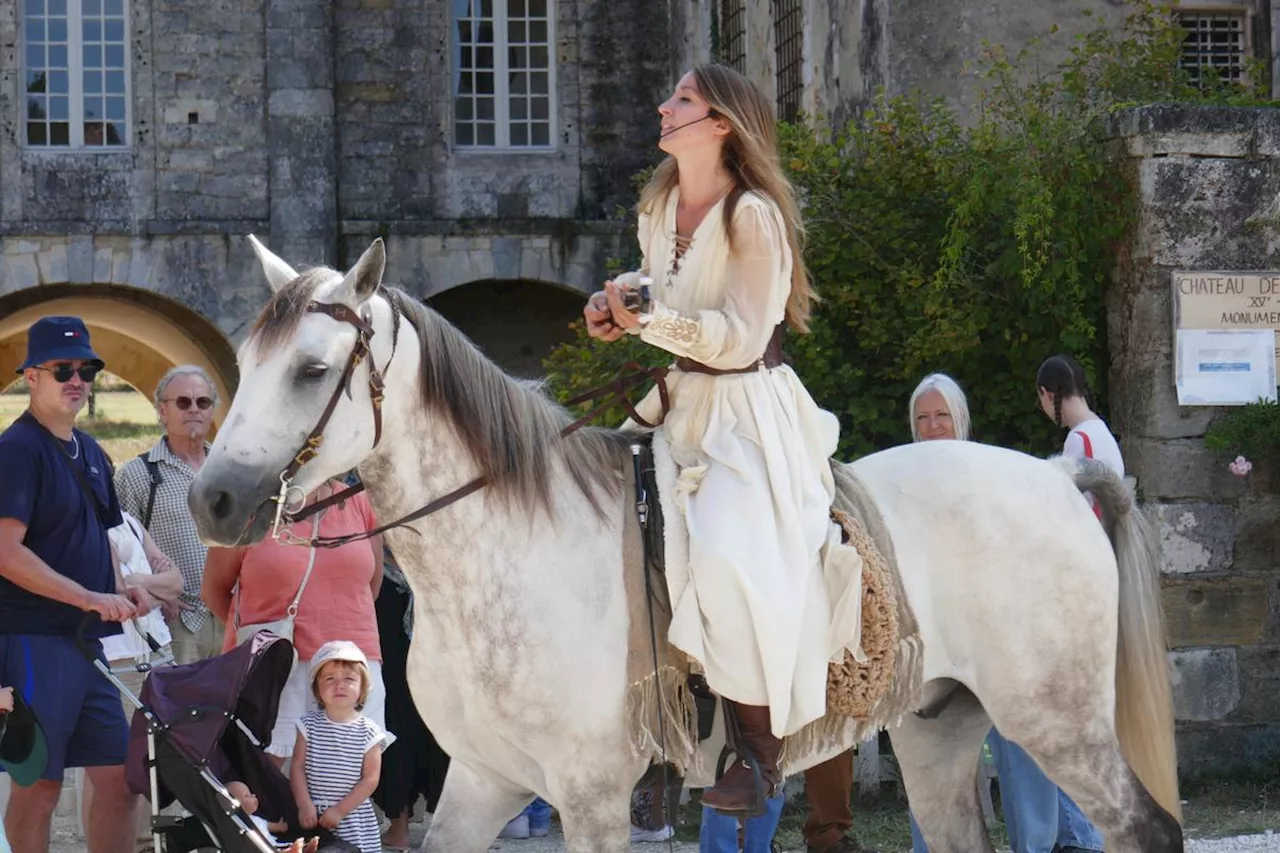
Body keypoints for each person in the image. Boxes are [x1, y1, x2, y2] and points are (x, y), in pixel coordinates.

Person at [583, 63, 862, 815]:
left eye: (682, 99)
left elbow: (741, 339)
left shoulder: (754, 216)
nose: (662, 105)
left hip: (747, 412)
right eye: (669, 94)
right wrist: (617, 307)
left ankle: (761, 750)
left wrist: (653, 322)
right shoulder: (661, 201)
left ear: (720, 125)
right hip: (678, 399)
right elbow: (659, 289)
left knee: (728, 553)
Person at [903, 371, 1103, 853]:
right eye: (923, 417)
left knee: (1024, 742)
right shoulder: (902, 481)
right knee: (928, 752)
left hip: (994, 636)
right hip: (935, 642)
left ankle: (1034, 845)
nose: (932, 426)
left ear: (960, 419)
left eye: (941, 415)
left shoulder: (989, 474)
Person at [0, 315, 152, 853]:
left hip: (88, 645)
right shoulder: (16, 451)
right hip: (33, 642)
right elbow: (5, 553)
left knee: (119, 780)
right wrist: (90, 597)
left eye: (86, 370)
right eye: (62, 368)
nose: (77, 380)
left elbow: (104, 537)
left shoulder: (89, 450)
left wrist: (127, 587)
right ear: (30, 377)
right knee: (39, 787)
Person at [203, 477, 385, 767]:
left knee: (344, 779)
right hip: (275, 665)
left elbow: (371, 587)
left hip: (350, 663)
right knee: (262, 779)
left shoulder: (358, 501)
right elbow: (214, 590)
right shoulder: (250, 506)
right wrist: (266, 639)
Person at [77, 509, 183, 848]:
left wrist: (134, 580)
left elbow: (176, 582)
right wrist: (149, 584)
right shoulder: (76, 519)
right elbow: (102, 584)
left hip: (154, 651)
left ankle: (146, 843)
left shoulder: (129, 521)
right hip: (111, 655)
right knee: (109, 763)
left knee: (152, 757)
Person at [115, 365, 224, 665]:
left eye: (203, 402)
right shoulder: (137, 475)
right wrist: (160, 594)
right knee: (180, 710)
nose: (194, 410)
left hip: (232, 620)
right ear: (162, 411)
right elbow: (120, 550)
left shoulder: (230, 471)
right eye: (183, 402)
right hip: (175, 623)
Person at [372, 547, 450, 851]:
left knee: (397, 730)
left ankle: (400, 829)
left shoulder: (376, 548)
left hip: (395, 659)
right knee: (428, 732)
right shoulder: (432, 554)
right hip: (428, 663)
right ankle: (438, 825)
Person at [291, 641, 394, 853]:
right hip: (314, 815)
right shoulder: (308, 725)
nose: (339, 685)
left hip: (352, 816)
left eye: (349, 679)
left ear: (362, 688)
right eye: (329, 679)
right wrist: (304, 805)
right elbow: (297, 767)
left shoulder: (370, 732)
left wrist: (340, 810)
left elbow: (370, 779)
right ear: (317, 689)